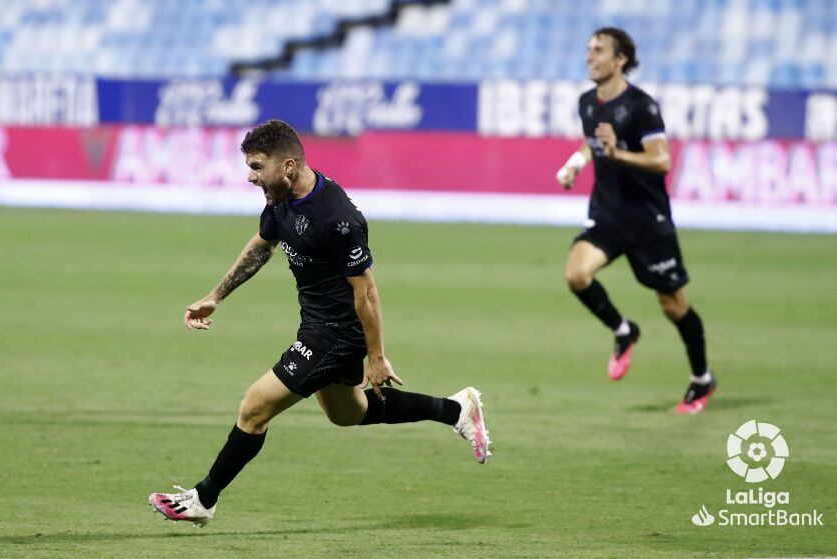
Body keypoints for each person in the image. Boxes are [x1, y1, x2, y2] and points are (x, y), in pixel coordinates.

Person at [149, 119, 491, 526]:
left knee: (254, 407)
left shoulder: (338, 218)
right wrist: (216, 296)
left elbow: (366, 291)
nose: (250, 175)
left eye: (257, 166)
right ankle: (455, 409)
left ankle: (203, 498)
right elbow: (264, 243)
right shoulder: (281, 200)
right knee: (348, 414)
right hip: (315, 323)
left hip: (338, 335)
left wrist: (377, 357)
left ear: (288, 165)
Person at [555, 27, 715, 414]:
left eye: (599, 50)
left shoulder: (643, 106)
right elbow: (592, 143)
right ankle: (623, 330)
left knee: (673, 306)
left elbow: (661, 161)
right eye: (588, 49)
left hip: (648, 221)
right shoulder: (587, 102)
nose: (590, 56)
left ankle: (702, 378)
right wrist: (576, 162)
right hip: (608, 214)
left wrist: (618, 153)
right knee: (576, 275)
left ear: (620, 59)